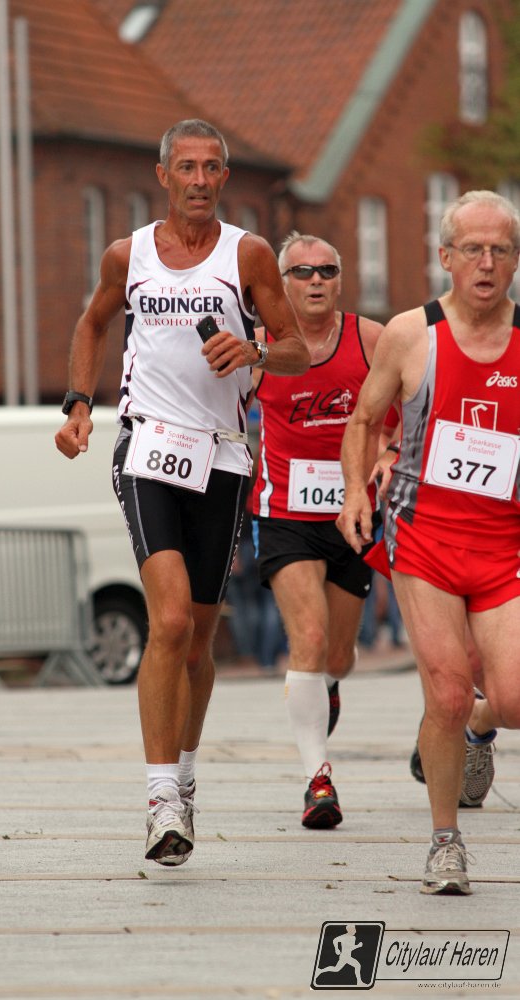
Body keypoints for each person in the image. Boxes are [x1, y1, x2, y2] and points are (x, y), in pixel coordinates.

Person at [55, 119, 309, 866]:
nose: (199, 180)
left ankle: (186, 777)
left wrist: (255, 349)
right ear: (163, 175)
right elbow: (92, 323)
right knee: (166, 621)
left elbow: (296, 349)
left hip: (222, 457)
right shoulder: (127, 255)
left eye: (212, 168)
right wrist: (78, 403)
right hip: (146, 448)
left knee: (198, 640)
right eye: (187, 168)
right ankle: (161, 797)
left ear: (224, 177)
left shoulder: (248, 255)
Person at [337, 190, 520, 895]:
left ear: (514, 261)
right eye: (472, 249)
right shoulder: (411, 334)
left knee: (512, 699)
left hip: (505, 546)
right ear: (445, 256)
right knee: (443, 691)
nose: (485, 263)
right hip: (426, 541)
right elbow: (363, 420)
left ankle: (482, 724)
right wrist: (356, 492)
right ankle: (446, 843)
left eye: (499, 250)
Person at [251, 232, 392, 829]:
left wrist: (389, 455)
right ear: (282, 283)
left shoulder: (372, 340)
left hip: (353, 515)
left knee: (337, 653)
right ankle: (318, 780)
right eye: (302, 272)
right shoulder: (260, 346)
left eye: (326, 271)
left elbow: (407, 413)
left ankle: (329, 681)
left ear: (340, 280)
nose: (315, 281)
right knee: (306, 638)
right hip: (284, 512)